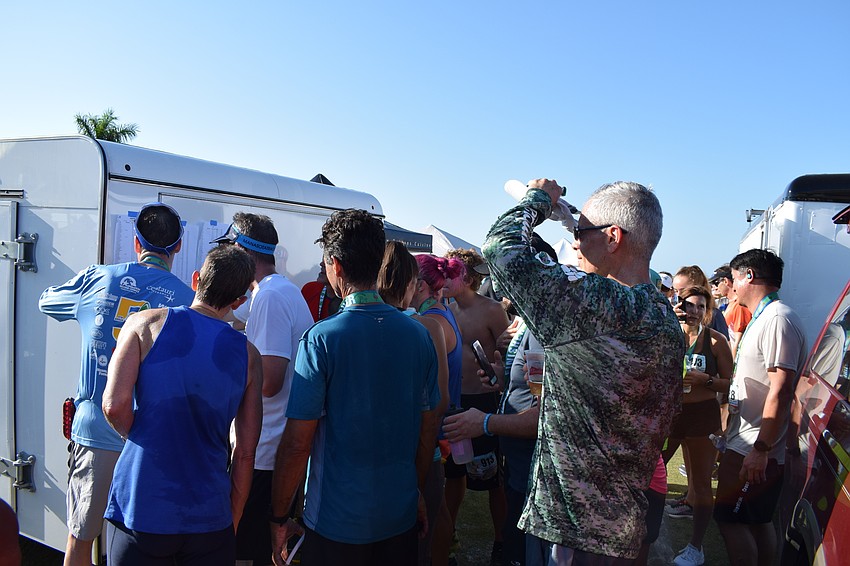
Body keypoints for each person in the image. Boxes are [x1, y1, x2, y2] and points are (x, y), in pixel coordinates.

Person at [483, 179, 683, 564]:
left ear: (612, 237)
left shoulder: (607, 307)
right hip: (620, 518)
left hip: (579, 526)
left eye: (581, 232)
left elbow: (501, 250)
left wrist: (538, 199)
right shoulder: (661, 317)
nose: (576, 241)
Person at [269, 209, 440, 566]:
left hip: (335, 523)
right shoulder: (418, 335)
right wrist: (415, 492)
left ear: (335, 266)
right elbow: (427, 430)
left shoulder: (320, 340)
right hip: (398, 516)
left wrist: (278, 516)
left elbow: (298, 444)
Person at [38, 202, 196, 566]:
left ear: (136, 243)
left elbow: (47, 301)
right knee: (136, 549)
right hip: (150, 445)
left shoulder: (98, 279)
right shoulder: (186, 302)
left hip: (96, 435)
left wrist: (88, 288)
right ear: (178, 247)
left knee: (80, 541)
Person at [100, 245, 262, 565]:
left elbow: (114, 405)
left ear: (196, 279)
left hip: (141, 504)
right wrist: (232, 518)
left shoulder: (144, 323)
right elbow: (245, 452)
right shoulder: (249, 356)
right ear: (238, 301)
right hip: (209, 515)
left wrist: (147, 437)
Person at [212, 213, 315, 566]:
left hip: (264, 450)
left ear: (243, 251)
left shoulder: (270, 297)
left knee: (247, 554)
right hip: (271, 447)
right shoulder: (276, 291)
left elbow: (269, 381)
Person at [713, 249, 807, 566]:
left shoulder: (778, 318)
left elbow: (781, 389)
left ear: (749, 276)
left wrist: (761, 449)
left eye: (734, 279)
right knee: (757, 520)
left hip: (754, 445)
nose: (730, 286)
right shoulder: (767, 317)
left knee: (729, 519)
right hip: (749, 440)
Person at [377, 242, 452, 566]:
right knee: (415, 550)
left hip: (370, 460)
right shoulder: (426, 328)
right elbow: (439, 402)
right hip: (420, 458)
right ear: (411, 285)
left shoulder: (356, 324)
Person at [443, 248, 510, 566]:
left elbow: (506, 359)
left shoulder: (494, 310)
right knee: (453, 474)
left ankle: (501, 542)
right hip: (454, 404)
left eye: (449, 271)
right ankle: (448, 534)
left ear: (465, 277)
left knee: (494, 478)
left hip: (485, 405)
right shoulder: (445, 308)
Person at [664, 286, 733, 566]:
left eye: (700, 307)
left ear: (708, 312)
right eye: (689, 305)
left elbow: (730, 383)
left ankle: (696, 547)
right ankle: (641, 529)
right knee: (652, 472)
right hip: (670, 414)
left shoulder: (715, 342)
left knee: (702, 484)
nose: (694, 311)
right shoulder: (668, 337)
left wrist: (705, 380)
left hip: (703, 416)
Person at [413, 254, 466, 564]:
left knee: (433, 506)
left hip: (437, 426)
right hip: (446, 422)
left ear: (420, 286)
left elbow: (435, 391)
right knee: (440, 507)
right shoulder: (444, 312)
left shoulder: (431, 321)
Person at [672, 266, 729, 339]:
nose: (679, 295)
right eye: (676, 291)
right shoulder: (671, 313)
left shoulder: (714, 315)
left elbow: (724, 345)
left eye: (683, 290)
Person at [710, 265, 752, 356]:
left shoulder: (739, 306)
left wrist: (731, 367)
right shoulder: (729, 305)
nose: (714, 287)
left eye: (716, 283)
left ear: (725, 281)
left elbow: (737, 340)